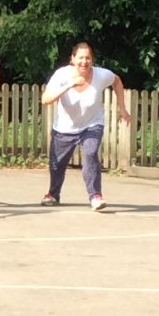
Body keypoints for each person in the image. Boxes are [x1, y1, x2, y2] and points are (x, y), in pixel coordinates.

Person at [40, 42, 132, 210]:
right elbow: (45, 99)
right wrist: (69, 85)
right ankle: (53, 194)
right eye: (80, 58)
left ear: (92, 60)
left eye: (88, 58)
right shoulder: (62, 75)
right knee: (57, 164)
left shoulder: (101, 75)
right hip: (65, 128)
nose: (84, 62)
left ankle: (95, 196)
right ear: (73, 59)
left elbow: (117, 82)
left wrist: (123, 109)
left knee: (90, 153)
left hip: (92, 124)